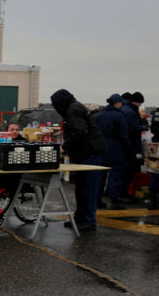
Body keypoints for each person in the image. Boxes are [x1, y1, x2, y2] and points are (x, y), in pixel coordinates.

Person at [50, 89, 107, 231]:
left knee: (87, 188)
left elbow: (78, 131)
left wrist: (64, 147)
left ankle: (88, 221)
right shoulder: (73, 107)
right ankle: (80, 218)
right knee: (81, 187)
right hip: (86, 153)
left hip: (90, 153)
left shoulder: (73, 110)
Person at [95, 94, 129, 209]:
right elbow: (124, 134)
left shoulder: (99, 115)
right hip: (116, 150)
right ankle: (114, 201)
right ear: (118, 103)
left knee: (100, 176)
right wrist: (128, 148)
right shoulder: (119, 116)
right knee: (115, 176)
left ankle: (97, 200)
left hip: (101, 149)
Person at [120, 91, 146, 203]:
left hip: (126, 145)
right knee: (127, 171)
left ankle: (123, 193)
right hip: (130, 146)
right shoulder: (130, 112)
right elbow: (132, 128)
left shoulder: (125, 109)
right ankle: (124, 194)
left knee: (125, 171)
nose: (140, 106)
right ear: (137, 102)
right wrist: (143, 126)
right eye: (139, 104)